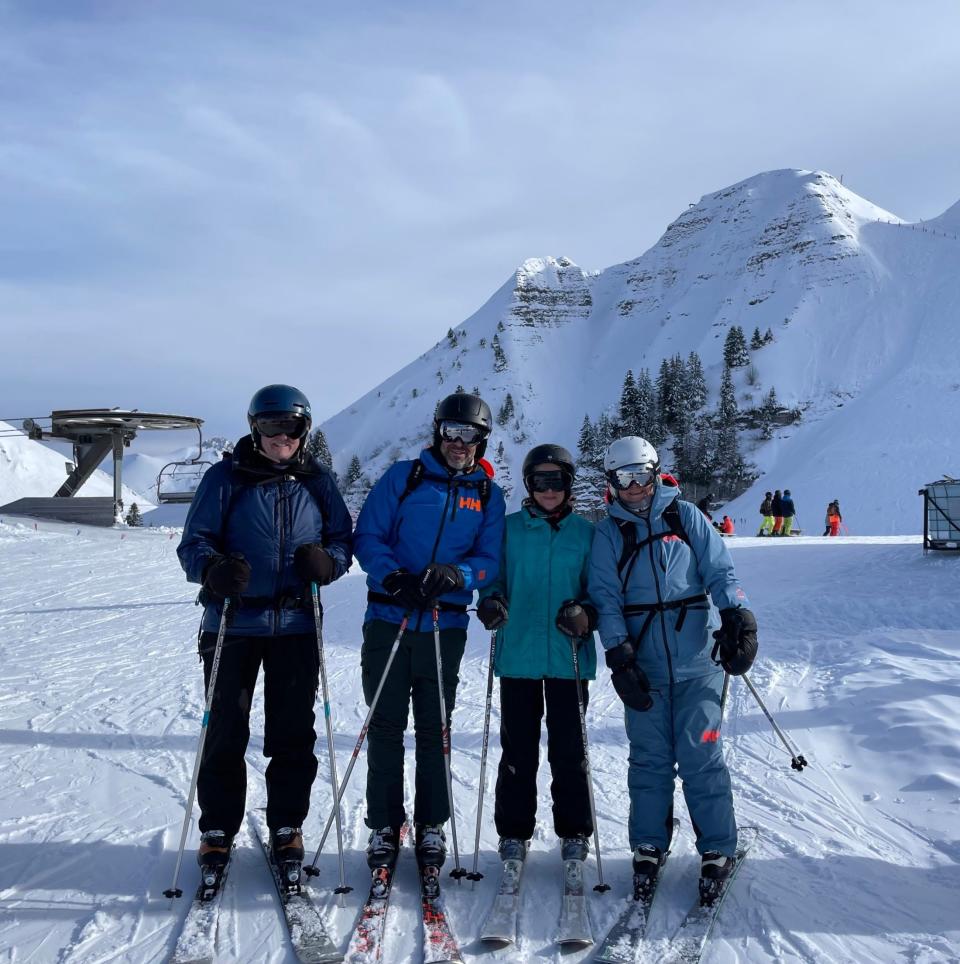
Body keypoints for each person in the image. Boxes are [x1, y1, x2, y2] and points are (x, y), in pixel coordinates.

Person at [177, 385, 353, 879]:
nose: (282, 436)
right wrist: (212, 569)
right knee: (225, 730)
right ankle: (217, 829)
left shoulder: (317, 480)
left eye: (291, 427)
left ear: (304, 430)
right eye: (272, 426)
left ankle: (287, 825)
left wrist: (328, 563)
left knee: (293, 732)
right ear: (256, 427)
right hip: (232, 622)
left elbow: (342, 540)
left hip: (296, 623)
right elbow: (194, 543)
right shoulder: (225, 477)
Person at [588, 436, 758, 901]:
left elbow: (721, 572)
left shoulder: (685, 517)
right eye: (624, 479)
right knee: (649, 762)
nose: (635, 487)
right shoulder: (608, 534)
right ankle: (648, 844)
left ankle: (718, 847)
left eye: (642, 475)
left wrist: (737, 615)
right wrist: (619, 655)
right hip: (644, 669)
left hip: (698, 663)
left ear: (656, 472)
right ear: (611, 483)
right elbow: (605, 599)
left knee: (702, 758)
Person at [353, 392, 506, 873]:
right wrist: (392, 576)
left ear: (482, 440)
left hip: (446, 624)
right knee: (384, 724)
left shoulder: (487, 495)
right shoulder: (404, 477)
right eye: (453, 432)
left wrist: (458, 577)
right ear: (438, 431)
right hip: (389, 618)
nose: (461, 443)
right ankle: (383, 823)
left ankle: (431, 824)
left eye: (472, 435)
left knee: (434, 730)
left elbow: (489, 559)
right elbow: (367, 536)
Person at [475, 444, 597, 866]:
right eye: (541, 481)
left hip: (569, 655)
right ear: (528, 484)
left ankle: (575, 830)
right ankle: (513, 831)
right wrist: (490, 601)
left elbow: (598, 590)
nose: (549, 490)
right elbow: (493, 579)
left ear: (568, 484)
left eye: (558, 481)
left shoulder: (586, 533)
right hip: (520, 654)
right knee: (518, 750)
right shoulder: (508, 530)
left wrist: (588, 613)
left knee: (569, 750)